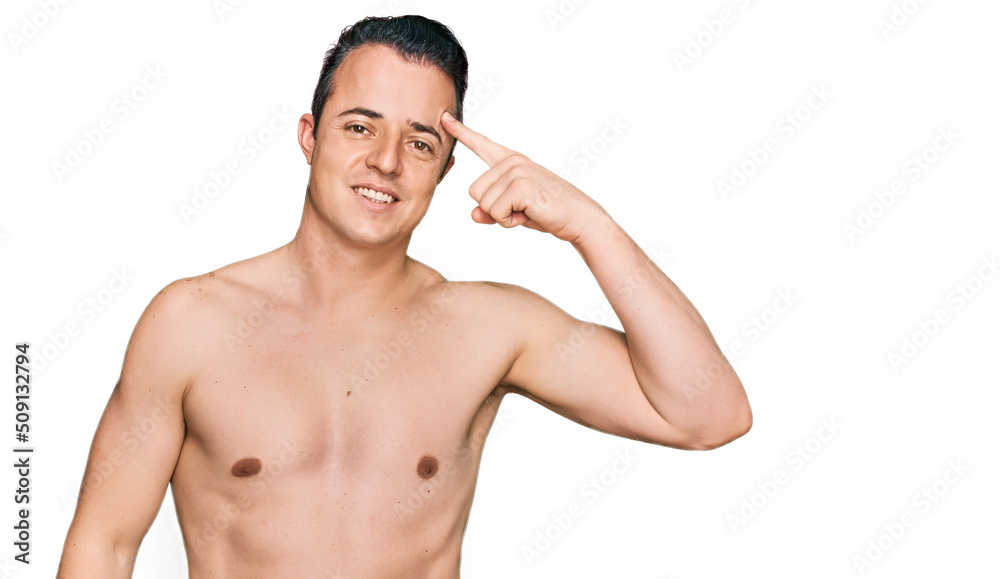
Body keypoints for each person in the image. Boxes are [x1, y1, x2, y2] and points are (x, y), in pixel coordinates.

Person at [57, 14, 751, 578]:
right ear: (310, 136)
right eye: (360, 127)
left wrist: (587, 224)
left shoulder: (488, 328)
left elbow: (708, 412)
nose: (385, 161)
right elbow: (103, 547)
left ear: (446, 169)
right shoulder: (192, 322)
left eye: (420, 143)